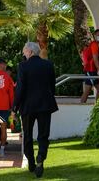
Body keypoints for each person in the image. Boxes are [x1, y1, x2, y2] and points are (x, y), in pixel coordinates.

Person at [11, 42, 58, 178]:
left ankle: (31, 161)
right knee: (43, 134)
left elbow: (19, 89)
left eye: (25, 52)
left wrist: (14, 108)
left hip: (28, 106)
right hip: (45, 105)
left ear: (30, 52)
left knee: (28, 134)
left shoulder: (23, 66)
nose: (24, 54)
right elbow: (52, 86)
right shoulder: (48, 65)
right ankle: (40, 158)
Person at [80, 29, 99, 103]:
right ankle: (81, 106)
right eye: (98, 35)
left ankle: (97, 107)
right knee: (87, 91)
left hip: (92, 71)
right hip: (90, 71)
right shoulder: (94, 45)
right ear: (94, 35)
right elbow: (95, 59)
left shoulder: (94, 44)